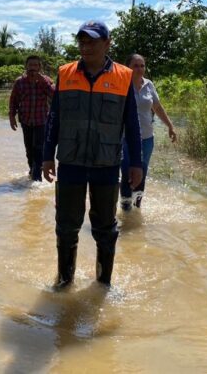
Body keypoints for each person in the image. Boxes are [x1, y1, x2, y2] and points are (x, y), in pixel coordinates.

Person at [42, 20, 143, 288]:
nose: (85, 47)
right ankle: (64, 282)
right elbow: (55, 117)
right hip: (71, 162)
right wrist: (46, 155)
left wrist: (137, 163)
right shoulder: (65, 73)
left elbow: (131, 124)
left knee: (105, 229)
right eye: (82, 41)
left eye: (92, 41)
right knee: (66, 226)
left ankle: (102, 285)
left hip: (107, 164)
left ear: (107, 43)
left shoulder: (123, 76)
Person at [120, 53, 177, 211]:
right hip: (125, 139)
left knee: (142, 174)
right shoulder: (122, 85)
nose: (139, 69)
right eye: (135, 66)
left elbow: (157, 108)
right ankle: (126, 209)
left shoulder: (149, 85)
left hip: (146, 139)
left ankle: (137, 207)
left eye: (142, 65)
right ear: (127, 68)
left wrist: (170, 126)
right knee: (126, 173)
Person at [9, 55, 55, 181]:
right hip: (26, 121)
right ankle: (32, 169)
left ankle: (37, 177)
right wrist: (12, 117)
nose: (33, 68)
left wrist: (44, 82)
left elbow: (54, 97)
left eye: (36, 65)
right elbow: (13, 100)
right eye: (30, 65)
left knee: (38, 148)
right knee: (29, 149)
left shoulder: (46, 81)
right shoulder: (20, 82)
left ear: (40, 67)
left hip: (41, 121)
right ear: (26, 66)